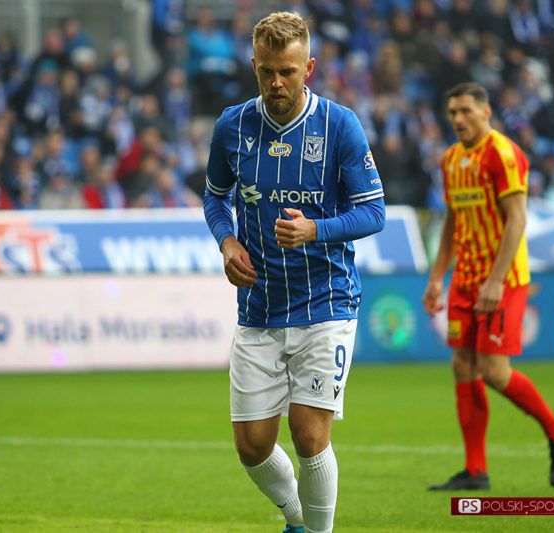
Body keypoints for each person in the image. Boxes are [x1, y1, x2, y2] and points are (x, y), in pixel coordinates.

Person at [203, 11, 385, 533]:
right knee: (252, 446)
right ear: (254, 66)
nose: (277, 83)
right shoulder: (232, 125)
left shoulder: (339, 125)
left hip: (325, 300)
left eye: (287, 71)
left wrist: (315, 230)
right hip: (259, 307)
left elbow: (374, 213)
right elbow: (215, 199)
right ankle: (297, 518)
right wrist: (227, 241)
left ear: (309, 68)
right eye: (267, 72)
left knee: (309, 434)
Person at [423, 82, 554, 491]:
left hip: (502, 280)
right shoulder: (451, 159)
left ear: (486, 112)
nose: (458, 119)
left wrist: (494, 280)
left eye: (466, 111)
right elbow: (452, 222)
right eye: (452, 113)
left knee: (493, 371)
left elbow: (517, 219)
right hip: (465, 279)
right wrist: (437, 277)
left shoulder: (503, 154)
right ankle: (475, 470)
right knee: (462, 365)